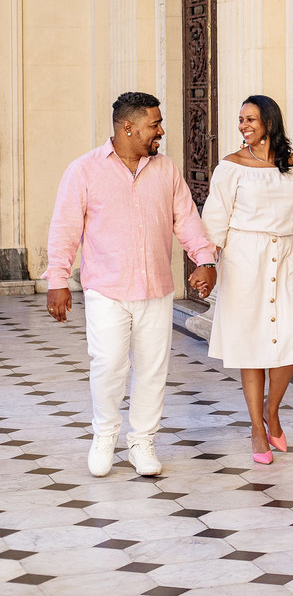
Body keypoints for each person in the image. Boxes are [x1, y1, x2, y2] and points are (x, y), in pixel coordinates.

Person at [44, 92, 218, 478]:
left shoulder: (166, 169)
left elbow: (186, 218)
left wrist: (204, 259)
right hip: (106, 288)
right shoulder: (84, 170)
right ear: (128, 127)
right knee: (108, 365)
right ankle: (105, 435)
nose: (161, 131)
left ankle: (142, 442)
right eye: (154, 124)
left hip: (156, 288)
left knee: (153, 369)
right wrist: (57, 280)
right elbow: (65, 229)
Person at [201, 95, 293, 465]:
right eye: (241, 120)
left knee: (289, 340)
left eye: (251, 119)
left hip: (286, 257)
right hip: (245, 258)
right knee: (251, 343)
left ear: (270, 124)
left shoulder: (292, 165)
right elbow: (215, 218)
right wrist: (206, 262)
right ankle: (257, 428)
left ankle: (271, 409)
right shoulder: (231, 167)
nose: (244, 126)